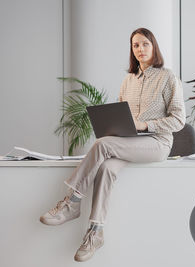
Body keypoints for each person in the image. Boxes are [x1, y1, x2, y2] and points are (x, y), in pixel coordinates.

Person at [39, 28, 186, 262]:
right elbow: (122, 113)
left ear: (154, 46)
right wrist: (118, 125)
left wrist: (144, 125)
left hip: (157, 143)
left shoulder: (168, 77)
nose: (140, 49)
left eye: (145, 44)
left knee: (102, 144)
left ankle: (72, 202)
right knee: (106, 168)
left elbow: (179, 120)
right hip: (129, 142)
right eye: (135, 45)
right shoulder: (128, 79)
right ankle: (96, 232)